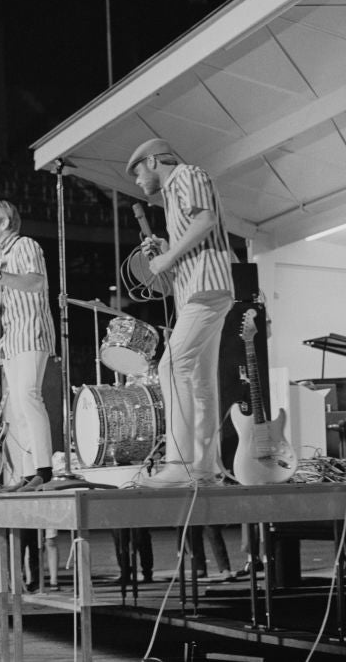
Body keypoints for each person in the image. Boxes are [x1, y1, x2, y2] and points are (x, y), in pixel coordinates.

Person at [126, 138, 234, 486]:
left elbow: (206, 220)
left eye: (138, 172)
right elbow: (196, 238)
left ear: (154, 161)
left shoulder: (186, 175)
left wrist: (167, 258)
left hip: (206, 287)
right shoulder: (172, 196)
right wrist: (167, 248)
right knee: (202, 383)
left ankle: (180, 463)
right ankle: (205, 469)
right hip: (199, 288)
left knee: (172, 366)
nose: (139, 182)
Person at [0, 200, 56, 490]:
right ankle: (28, 471)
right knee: (18, 408)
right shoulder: (1, 258)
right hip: (12, 338)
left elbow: (35, 283)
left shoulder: (25, 246)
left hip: (31, 333)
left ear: (4, 223)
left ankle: (44, 469)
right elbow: (7, 298)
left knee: (28, 396)